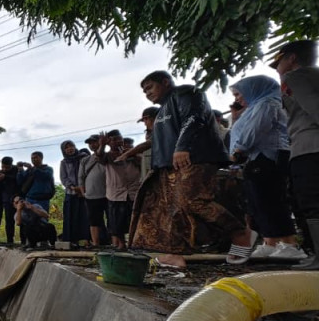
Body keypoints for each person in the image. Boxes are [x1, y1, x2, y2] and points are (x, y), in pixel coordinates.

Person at [129, 71, 254, 268]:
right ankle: (173, 253)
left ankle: (239, 232)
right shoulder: (162, 110)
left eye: (150, 87)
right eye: (144, 91)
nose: (147, 93)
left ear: (165, 82)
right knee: (170, 210)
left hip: (194, 158)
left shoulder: (187, 93)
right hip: (168, 166)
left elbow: (194, 118)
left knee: (192, 201)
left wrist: (183, 147)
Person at [227, 75, 303, 260]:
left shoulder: (267, 104)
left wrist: (239, 149)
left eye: (239, 93)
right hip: (257, 158)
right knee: (258, 202)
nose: (237, 98)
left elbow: (254, 130)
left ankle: (289, 243)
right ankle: (271, 242)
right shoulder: (254, 107)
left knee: (271, 200)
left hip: (268, 157)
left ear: (254, 89)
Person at [271, 39, 319, 269]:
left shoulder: (295, 78)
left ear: (291, 59)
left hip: (308, 148)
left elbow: (314, 107)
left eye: (278, 62)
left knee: (310, 203)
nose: (277, 68)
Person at [97, 130, 142, 250]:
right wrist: (102, 145)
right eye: (115, 139)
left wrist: (131, 154)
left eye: (120, 138)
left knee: (135, 219)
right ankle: (121, 244)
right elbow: (99, 156)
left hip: (134, 191)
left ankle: (135, 243)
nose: (118, 141)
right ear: (109, 142)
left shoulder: (132, 153)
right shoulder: (107, 156)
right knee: (116, 221)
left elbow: (142, 161)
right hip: (116, 193)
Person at [59, 140, 90, 248]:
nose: (70, 148)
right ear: (64, 150)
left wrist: (82, 188)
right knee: (70, 217)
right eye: (66, 147)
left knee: (84, 217)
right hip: (71, 193)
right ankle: (71, 242)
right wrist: (73, 187)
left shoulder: (83, 158)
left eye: (71, 146)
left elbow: (87, 174)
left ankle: (86, 241)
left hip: (84, 192)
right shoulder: (64, 162)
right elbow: (63, 178)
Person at [78, 134, 108, 247]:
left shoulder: (108, 156)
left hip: (109, 194)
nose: (92, 145)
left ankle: (115, 243)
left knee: (112, 219)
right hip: (91, 195)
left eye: (94, 142)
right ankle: (96, 244)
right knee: (93, 221)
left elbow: (100, 155)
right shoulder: (85, 160)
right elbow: (80, 178)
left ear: (100, 142)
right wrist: (83, 192)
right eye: (90, 143)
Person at [0, 157, 20, 245]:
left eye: (7, 167)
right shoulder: (1, 171)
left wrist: (6, 177)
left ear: (11, 165)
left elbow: (19, 180)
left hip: (17, 198)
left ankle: (24, 240)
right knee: (9, 221)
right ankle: (10, 240)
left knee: (22, 220)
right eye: (3, 167)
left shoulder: (17, 170)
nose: (5, 169)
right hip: (6, 199)